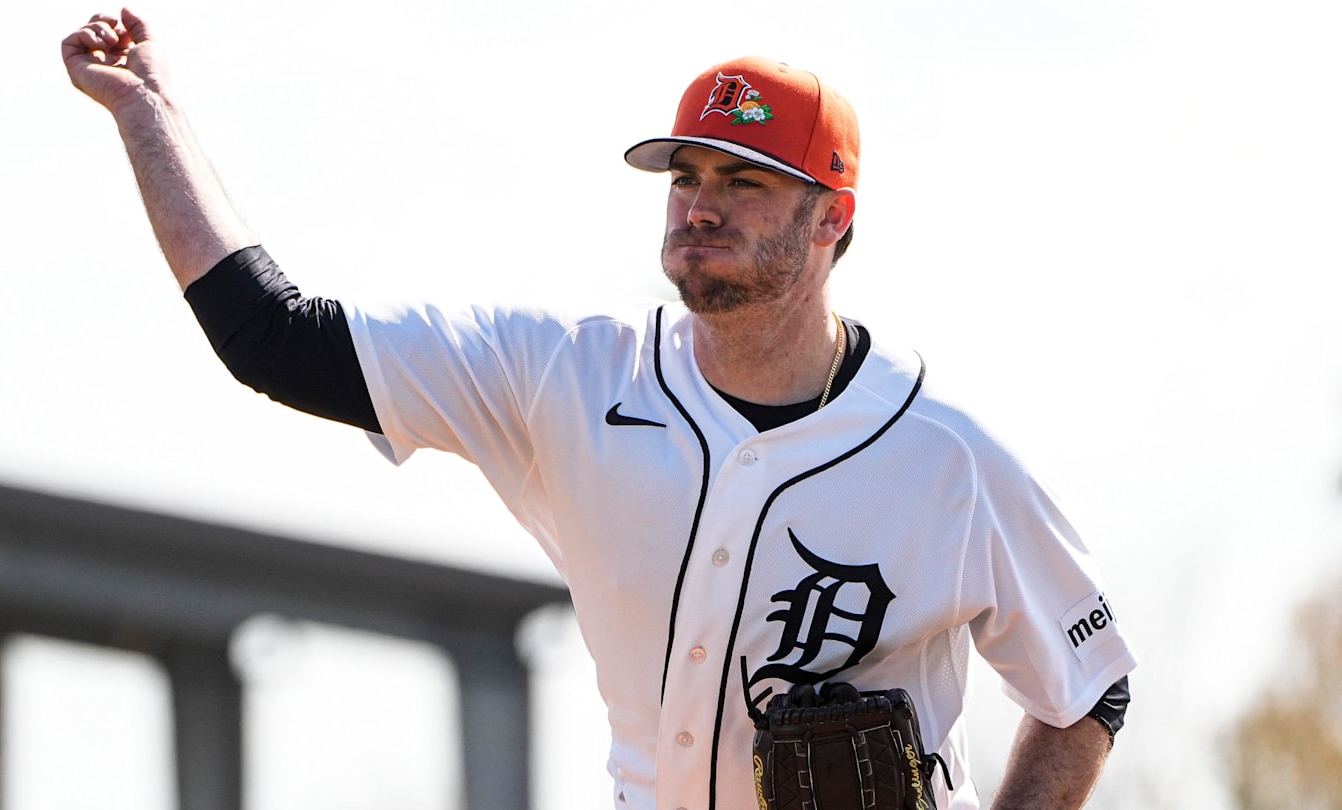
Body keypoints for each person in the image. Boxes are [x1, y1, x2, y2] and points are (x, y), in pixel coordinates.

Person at [62, 10, 1137, 809]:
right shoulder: (568, 375)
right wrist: (149, 115)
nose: (701, 201)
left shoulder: (945, 457)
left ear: (829, 220)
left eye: (746, 181)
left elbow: (1089, 687)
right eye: (687, 174)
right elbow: (273, 338)